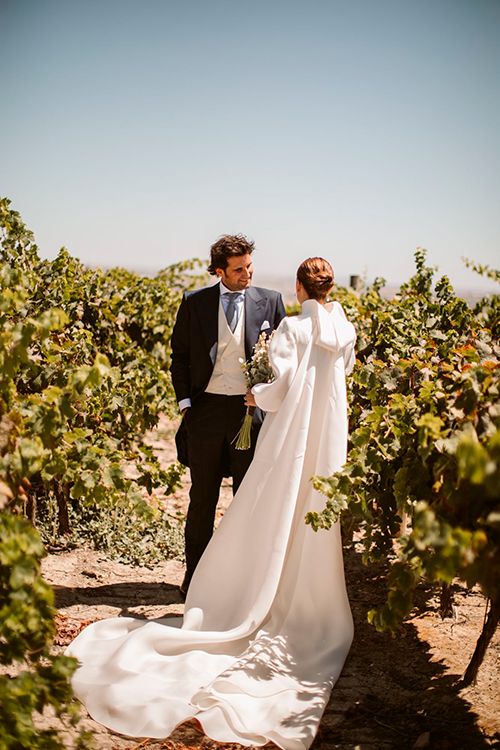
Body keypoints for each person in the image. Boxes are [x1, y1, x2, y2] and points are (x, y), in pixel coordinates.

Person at [67, 257, 356, 750]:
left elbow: (277, 391)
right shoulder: (343, 329)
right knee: (304, 514)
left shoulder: (289, 325)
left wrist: (256, 394)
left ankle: (245, 592)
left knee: (263, 508)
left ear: (299, 287)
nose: (248, 273)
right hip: (326, 444)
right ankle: (303, 597)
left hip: (287, 439)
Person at [170, 234, 285, 597]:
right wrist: (186, 404)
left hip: (247, 414)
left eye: (249, 266)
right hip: (205, 412)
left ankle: (242, 583)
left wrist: (265, 394)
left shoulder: (271, 302)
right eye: (238, 269)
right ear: (219, 270)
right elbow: (180, 356)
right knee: (202, 498)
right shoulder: (195, 303)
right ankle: (195, 579)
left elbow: (284, 358)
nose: (247, 274)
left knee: (247, 500)